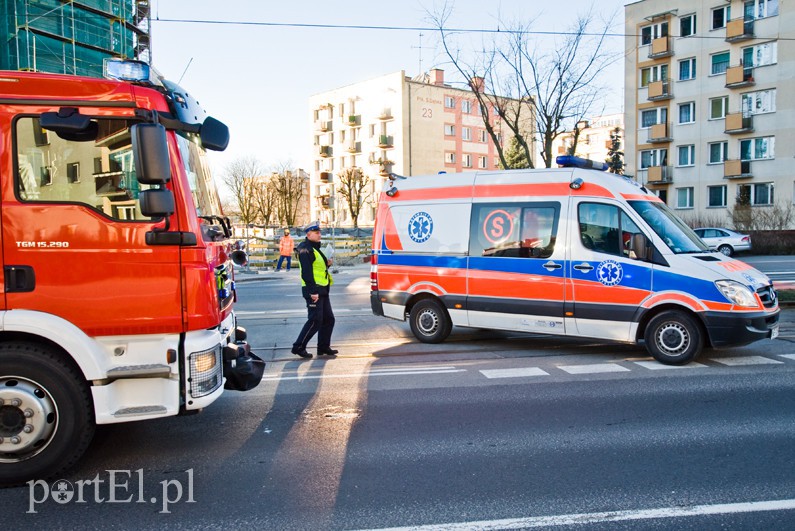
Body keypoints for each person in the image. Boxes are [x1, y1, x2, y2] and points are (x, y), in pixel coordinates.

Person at [291, 221, 338, 359]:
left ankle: (323, 347)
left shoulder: (315, 248)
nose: (319, 235)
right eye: (317, 233)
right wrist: (313, 292)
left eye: (320, 232)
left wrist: (327, 264)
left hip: (322, 289)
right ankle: (298, 347)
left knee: (328, 319)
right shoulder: (305, 249)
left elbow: (317, 269)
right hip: (314, 290)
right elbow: (306, 272)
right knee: (315, 321)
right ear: (308, 234)